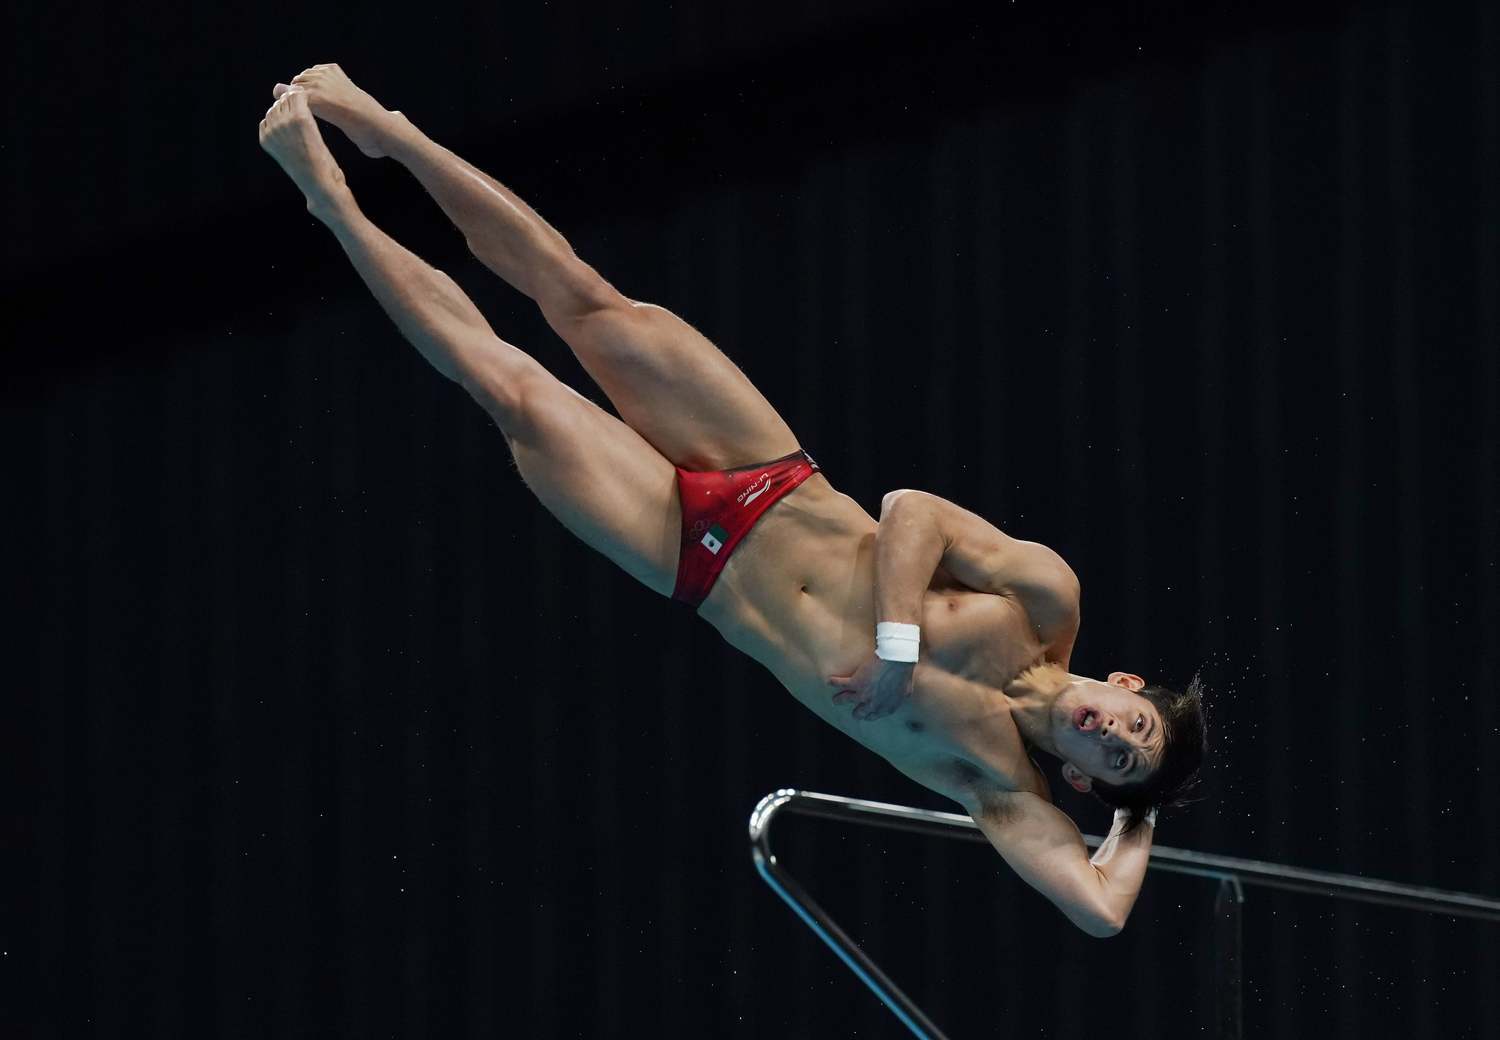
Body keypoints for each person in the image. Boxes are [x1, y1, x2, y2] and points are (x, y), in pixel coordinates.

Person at [257, 65, 1207, 937]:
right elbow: (913, 509)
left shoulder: (996, 783)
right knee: (580, 296)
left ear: (1084, 781)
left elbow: (1098, 912)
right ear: (1119, 682)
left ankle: (328, 196)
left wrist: (1142, 810)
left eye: (1120, 758)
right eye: (1135, 721)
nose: (1115, 734)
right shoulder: (1045, 602)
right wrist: (895, 649)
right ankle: (383, 127)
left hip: (690, 559)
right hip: (771, 474)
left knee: (509, 389)